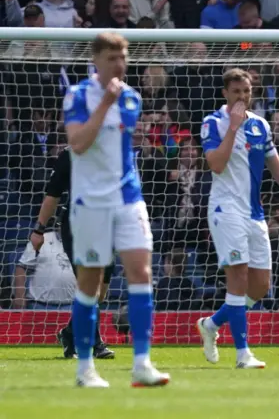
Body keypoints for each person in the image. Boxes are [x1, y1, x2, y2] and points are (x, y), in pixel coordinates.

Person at [63, 32, 169, 388]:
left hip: (127, 198)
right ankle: (84, 368)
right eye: (112, 58)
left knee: (141, 272)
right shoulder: (79, 96)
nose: (119, 65)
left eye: (123, 57)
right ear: (95, 60)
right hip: (90, 203)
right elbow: (77, 144)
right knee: (90, 285)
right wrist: (105, 104)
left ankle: (142, 363)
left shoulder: (132, 99)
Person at [196, 68, 279, 369]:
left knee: (259, 287)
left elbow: (276, 165)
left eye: (246, 92)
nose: (242, 97)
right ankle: (243, 353)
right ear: (225, 94)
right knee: (238, 278)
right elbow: (216, 165)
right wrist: (232, 128)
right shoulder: (213, 123)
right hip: (225, 210)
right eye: (236, 92)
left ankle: (211, 324)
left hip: (254, 213)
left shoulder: (260, 125)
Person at [30, 147, 115, 360]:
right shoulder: (69, 155)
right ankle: (95, 344)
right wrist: (39, 230)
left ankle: (68, 333)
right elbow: (53, 195)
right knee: (89, 285)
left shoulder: (113, 150)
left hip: (107, 224)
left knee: (100, 291)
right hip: (77, 225)